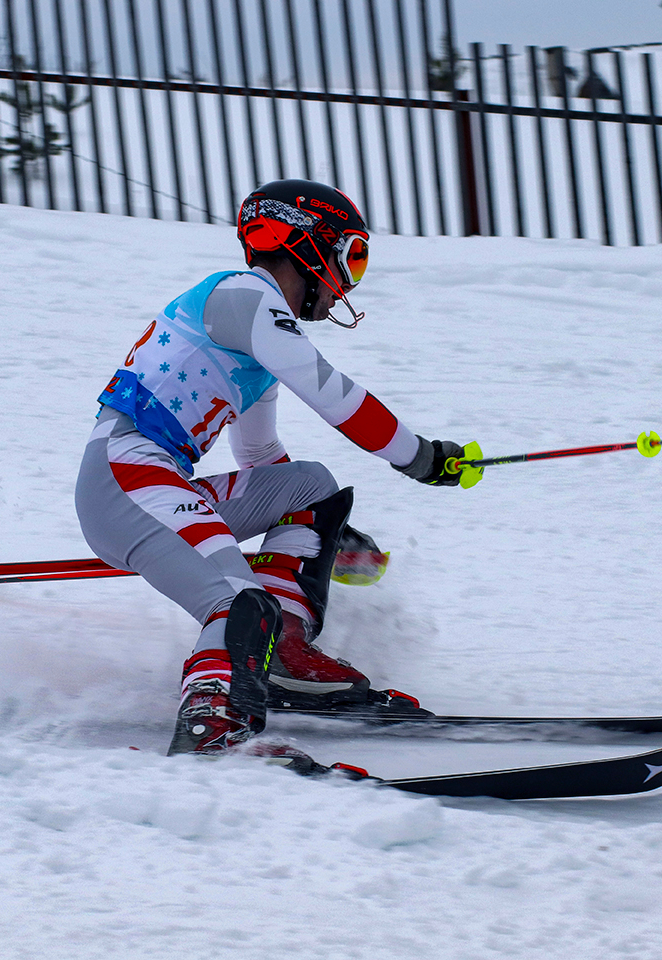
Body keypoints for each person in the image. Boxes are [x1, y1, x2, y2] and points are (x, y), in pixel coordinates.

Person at [73, 179, 470, 762]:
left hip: (158, 480)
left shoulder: (255, 336)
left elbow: (259, 459)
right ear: (308, 245)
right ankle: (211, 722)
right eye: (350, 257)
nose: (346, 285)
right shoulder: (245, 297)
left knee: (311, 486)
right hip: (123, 479)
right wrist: (420, 456)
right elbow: (336, 397)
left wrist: (325, 537)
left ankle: (280, 654)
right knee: (237, 603)